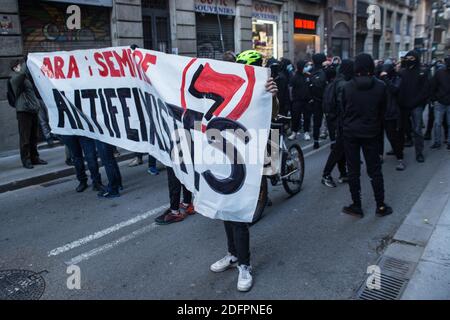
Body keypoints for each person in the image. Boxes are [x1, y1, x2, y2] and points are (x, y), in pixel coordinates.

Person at [209, 49, 278, 292]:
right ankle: (233, 254)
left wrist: (272, 95)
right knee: (226, 211)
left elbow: (272, 116)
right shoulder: (221, 90)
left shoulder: (263, 87)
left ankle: (245, 264)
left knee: (238, 215)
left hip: (249, 157)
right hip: (224, 155)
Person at [341, 53, 393, 218]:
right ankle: (380, 205)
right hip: (371, 132)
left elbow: (343, 109)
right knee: (375, 170)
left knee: (353, 170)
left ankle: (357, 205)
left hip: (351, 133)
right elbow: (383, 110)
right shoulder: (380, 86)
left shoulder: (347, 86)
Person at [8, 60, 47, 169]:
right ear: (15, 68)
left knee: (34, 136)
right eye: (19, 66)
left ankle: (35, 158)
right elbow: (21, 73)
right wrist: (27, 60)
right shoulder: (14, 78)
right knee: (25, 138)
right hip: (23, 111)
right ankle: (26, 160)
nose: (22, 67)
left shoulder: (25, 78)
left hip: (33, 110)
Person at [321, 59, 353, 187]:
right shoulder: (344, 84)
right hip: (341, 121)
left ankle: (343, 174)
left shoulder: (335, 82)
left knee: (341, 149)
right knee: (338, 149)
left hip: (334, 120)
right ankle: (326, 174)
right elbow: (343, 105)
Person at [397, 50, 430, 163]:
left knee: (417, 130)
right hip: (404, 106)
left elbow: (425, 91)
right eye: (408, 58)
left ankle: (419, 152)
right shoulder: (403, 72)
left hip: (417, 105)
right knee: (403, 128)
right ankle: (401, 148)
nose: (409, 60)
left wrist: (416, 102)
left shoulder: (422, 72)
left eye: (412, 58)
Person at [379, 61, 406, 170]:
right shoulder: (379, 81)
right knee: (378, 137)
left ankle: (400, 158)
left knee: (393, 137)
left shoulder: (397, 80)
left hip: (391, 112)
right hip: (381, 112)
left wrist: (386, 80)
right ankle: (380, 155)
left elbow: (394, 90)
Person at [305, 53, 328, 149]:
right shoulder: (326, 72)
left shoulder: (310, 72)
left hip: (315, 101)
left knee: (316, 122)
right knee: (329, 120)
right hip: (325, 100)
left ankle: (316, 141)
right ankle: (334, 142)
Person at [429, 55, 450, 150]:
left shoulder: (439, 72)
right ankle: (437, 142)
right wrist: (434, 99)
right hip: (440, 102)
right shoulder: (439, 73)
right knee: (437, 123)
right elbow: (432, 86)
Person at [288, 60, 312, 140]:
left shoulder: (308, 76)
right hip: (297, 100)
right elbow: (290, 88)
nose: (307, 68)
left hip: (307, 101)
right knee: (295, 117)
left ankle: (306, 132)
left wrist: (311, 98)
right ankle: (294, 133)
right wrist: (292, 99)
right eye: (305, 66)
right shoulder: (294, 77)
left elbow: (311, 87)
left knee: (307, 117)